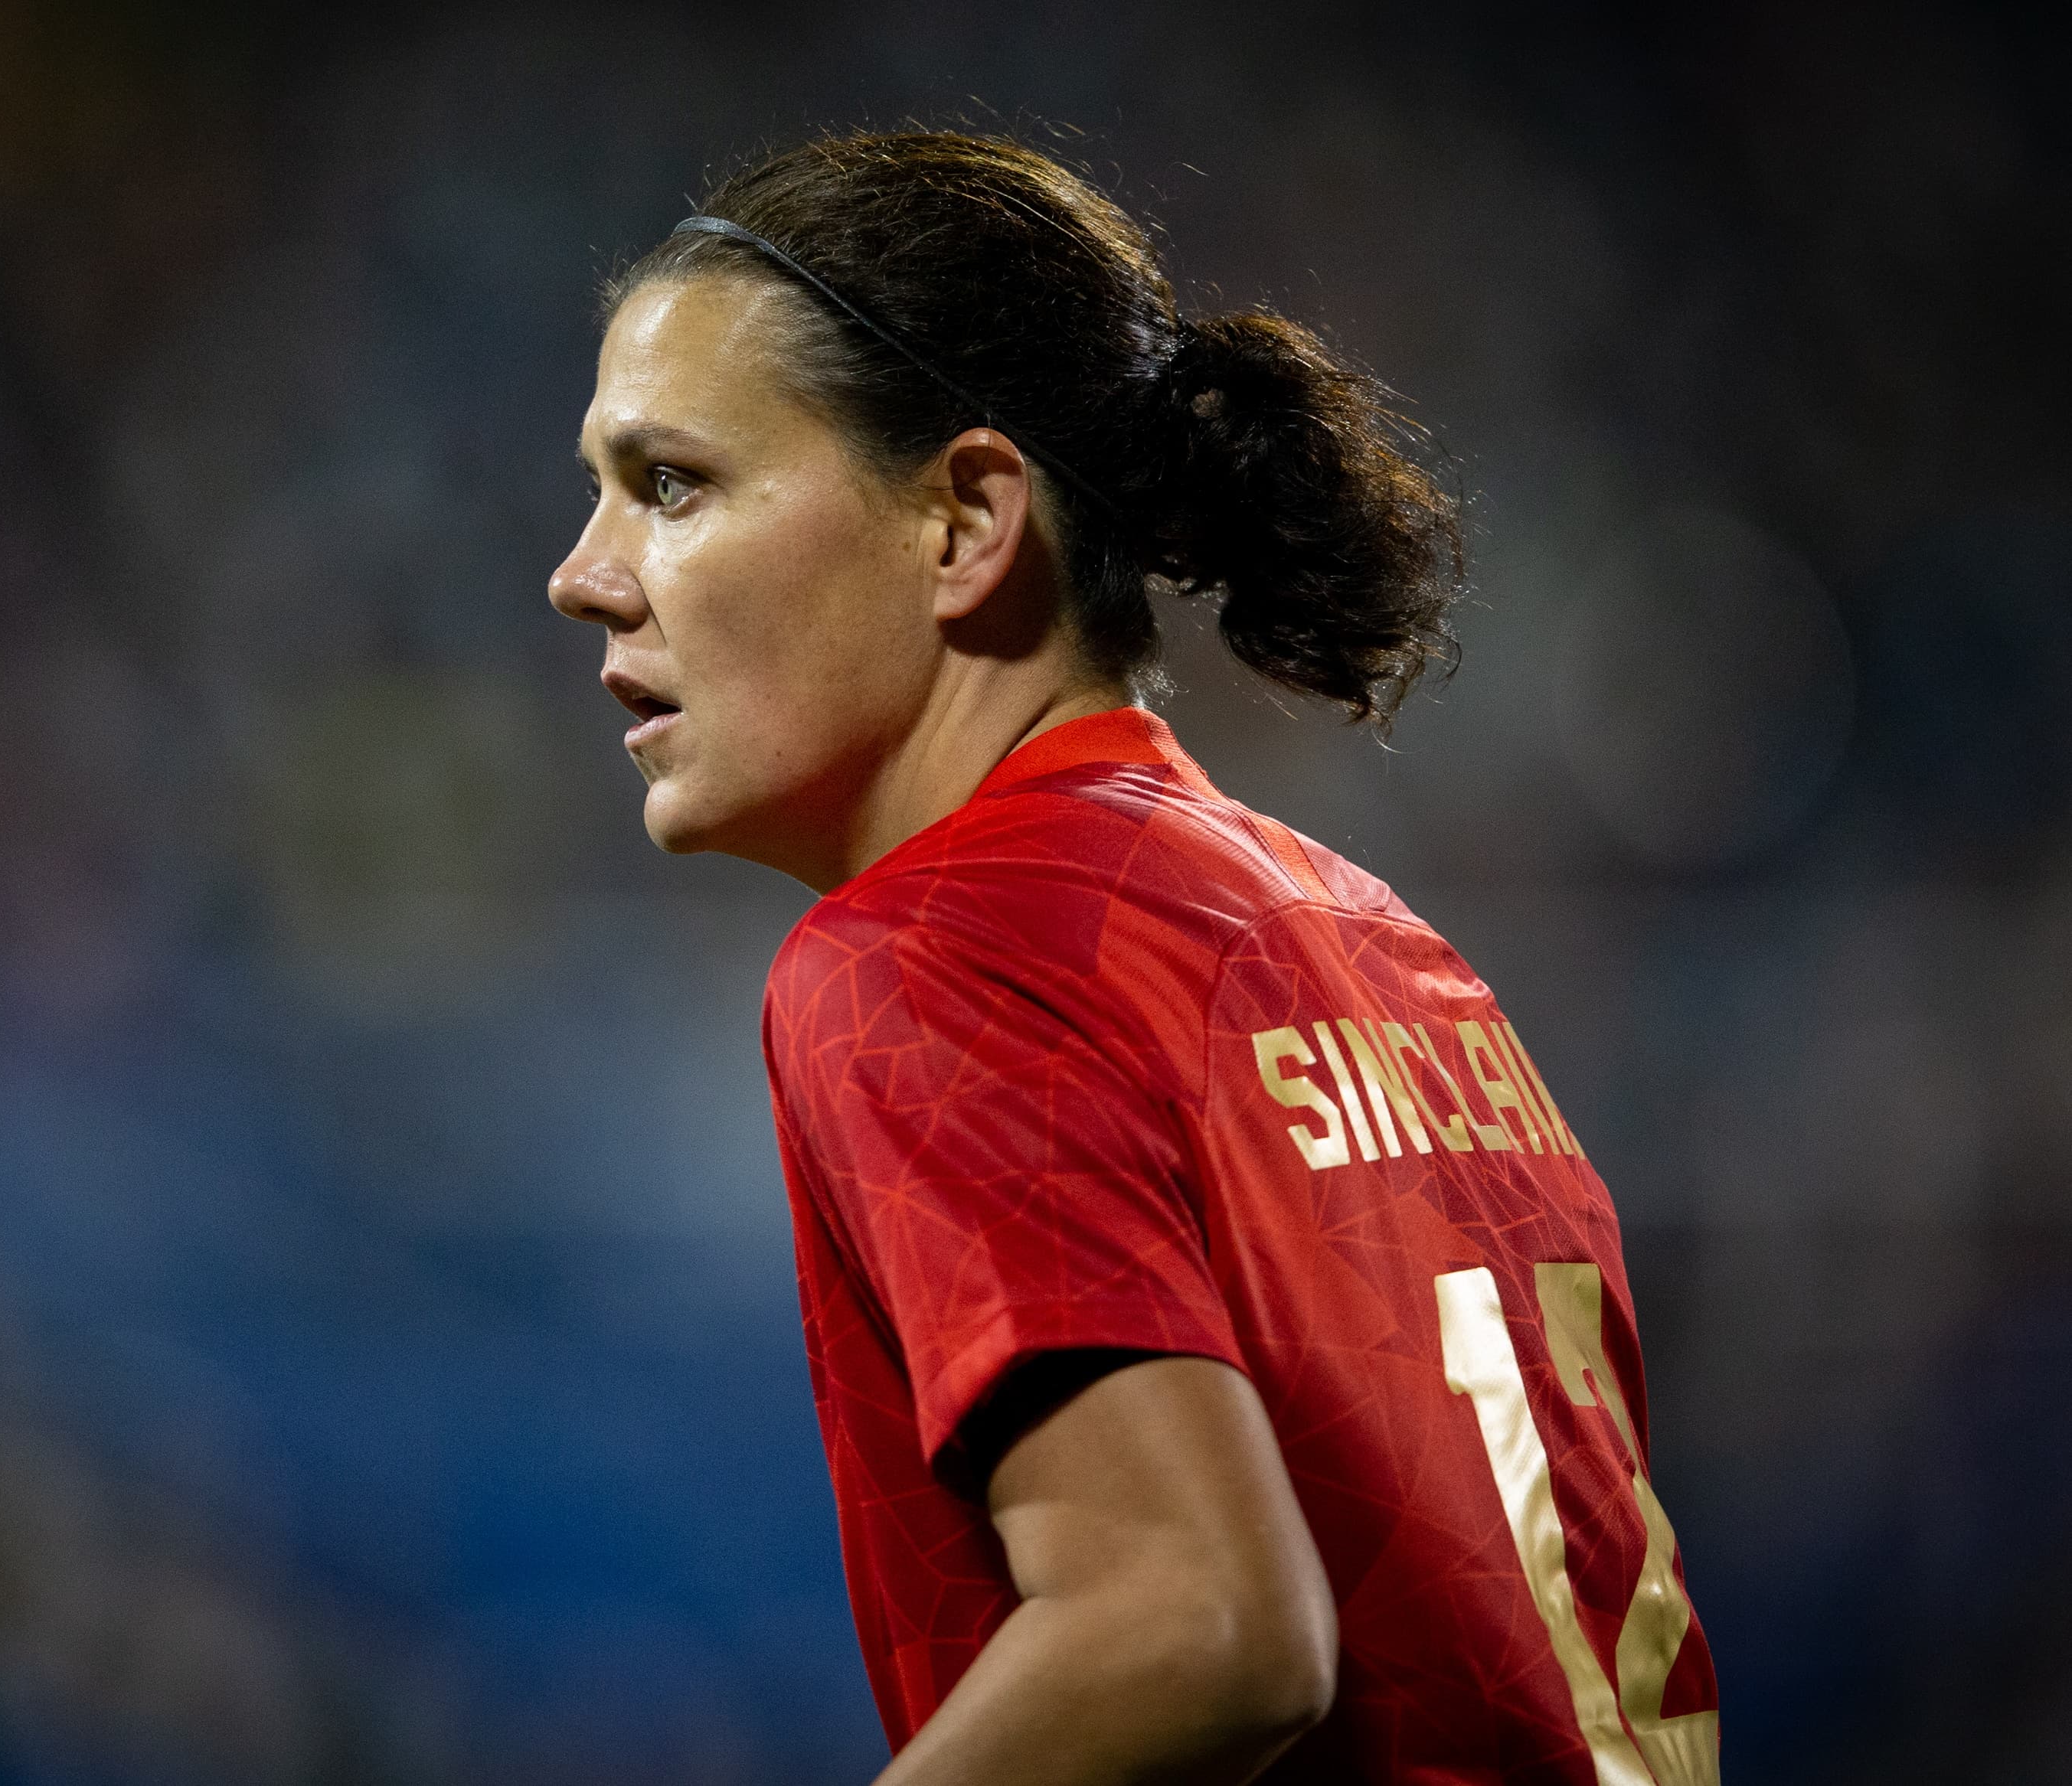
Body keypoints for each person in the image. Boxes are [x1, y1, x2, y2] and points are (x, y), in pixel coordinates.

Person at [548, 129, 1718, 1786]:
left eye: (671, 483)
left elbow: (1198, 1626)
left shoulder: (927, 951)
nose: (581, 576)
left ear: (965, 520)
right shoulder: (1385, 952)